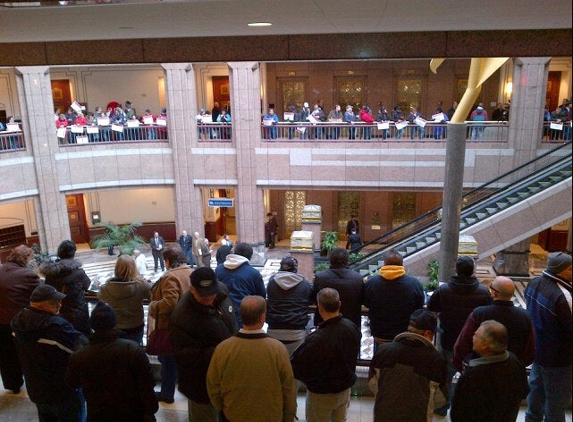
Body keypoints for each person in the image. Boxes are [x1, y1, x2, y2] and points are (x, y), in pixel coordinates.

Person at [207, 295, 297, 422]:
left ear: (241, 316)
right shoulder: (278, 349)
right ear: (262, 317)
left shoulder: (223, 348)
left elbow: (213, 385)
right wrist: (289, 415)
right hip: (270, 415)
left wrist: (222, 408)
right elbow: (288, 388)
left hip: (234, 414)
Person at [65, 301, 158, 422]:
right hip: (132, 412)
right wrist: (150, 411)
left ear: (92, 325)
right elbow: (146, 384)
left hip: (98, 414)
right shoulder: (132, 349)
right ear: (114, 323)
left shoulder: (80, 355)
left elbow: (72, 383)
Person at [169, 267, 238, 422]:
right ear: (191, 289)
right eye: (203, 295)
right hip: (201, 386)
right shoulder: (181, 317)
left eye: (211, 293)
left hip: (227, 380)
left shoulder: (221, 292)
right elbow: (185, 358)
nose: (209, 298)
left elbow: (233, 319)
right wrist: (225, 350)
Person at [427, 255, 492, 416]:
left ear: (456, 269)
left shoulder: (444, 290)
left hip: (449, 340)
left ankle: (442, 407)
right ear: (472, 271)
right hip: (475, 343)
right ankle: (466, 411)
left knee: (446, 377)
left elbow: (431, 307)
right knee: (472, 379)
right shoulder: (483, 292)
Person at [11, 284, 88, 422]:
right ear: (39, 306)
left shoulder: (18, 322)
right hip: (63, 391)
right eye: (53, 302)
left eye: (59, 300)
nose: (59, 305)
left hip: (36, 389)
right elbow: (84, 349)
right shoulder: (57, 328)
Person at [291, 288, 361, 422]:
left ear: (319, 307)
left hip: (321, 394)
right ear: (339, 304)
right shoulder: (351, 327)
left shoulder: (317, 338)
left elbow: (297, 367)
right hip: (345, 389)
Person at [368, 309, 447, 422]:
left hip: (384, 415)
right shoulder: (436, 360)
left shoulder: (384, 351)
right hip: (419, 417)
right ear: (428, 333)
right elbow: (441, 399)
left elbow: (372, 383)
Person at [524, 252, 572, 422]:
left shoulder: (534, 283)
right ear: (560, 270)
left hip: (538, 352)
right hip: (560, 359)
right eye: (570, 268)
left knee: (536, 393)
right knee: (556, 401)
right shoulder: (563, 296)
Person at [450, 320, 529, 422]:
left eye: (476, 335)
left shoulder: (473, 375)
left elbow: (459, 412)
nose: (473, 337)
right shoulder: (515, 361)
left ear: (484, 345)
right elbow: (524, 391)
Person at [453, 275, 535, 372]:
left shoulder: (479, 314)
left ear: (494, 293)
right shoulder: (524, 316)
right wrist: (519, 364)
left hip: (480, 370)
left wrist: (460, 365)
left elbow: (463, 343)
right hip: (511, 370)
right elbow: (530, 349)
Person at [148, 246, 192, 404]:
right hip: (187, 324)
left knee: (167, 361)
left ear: (168, 261)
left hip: (171, 326)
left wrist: (154, 306)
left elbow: (170, 302)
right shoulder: (190, 271)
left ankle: (167, 393)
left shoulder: (171, 277)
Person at [0, 245, 42, 394]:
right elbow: (41, 292)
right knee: (26, 354)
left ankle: (14, 385)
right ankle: (34, 384)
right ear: (26, 258)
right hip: (19, 323)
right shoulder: (27, 274)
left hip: (0, 323)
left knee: (6, 356)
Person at [364, 249, 425, 352]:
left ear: (384, 264)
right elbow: (419, 307)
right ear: (402, 264)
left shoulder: (371, 283)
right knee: (402, 365)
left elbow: (365, 302)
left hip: (380, 334)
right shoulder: (414, 284)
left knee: (380, 361)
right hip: (404, 335)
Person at [40, 240, 91, 336]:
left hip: (58, 314)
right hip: (78, 315)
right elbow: (87, 285)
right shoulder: (79, 273)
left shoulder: (50, 274)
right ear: (73, 254)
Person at [98, 254, 152, 345]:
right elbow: (153, 295)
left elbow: (100, 297)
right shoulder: (141, 285)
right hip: (135, 324)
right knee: (135, 350)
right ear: (133, 267)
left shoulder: (107, 287)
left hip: (116, 325)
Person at [266, 256, 313, 354]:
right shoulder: (305, 284)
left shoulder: (272, 283)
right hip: (297, 331)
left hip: (274, 329)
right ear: (295, 269)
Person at [215, 242, 266, 328]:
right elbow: (261, 296)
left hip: (222, 315)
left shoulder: (219, 269)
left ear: (234, 252)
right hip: (245, 316)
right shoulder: (253, 273)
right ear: (250, 256)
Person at [313, 247, 364, 329]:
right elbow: (362, 300)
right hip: (351, 326)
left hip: (325, 326)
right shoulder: (357, 278)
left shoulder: (320, 277)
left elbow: (316, 300)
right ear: (347, 261)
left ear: (330, 261)